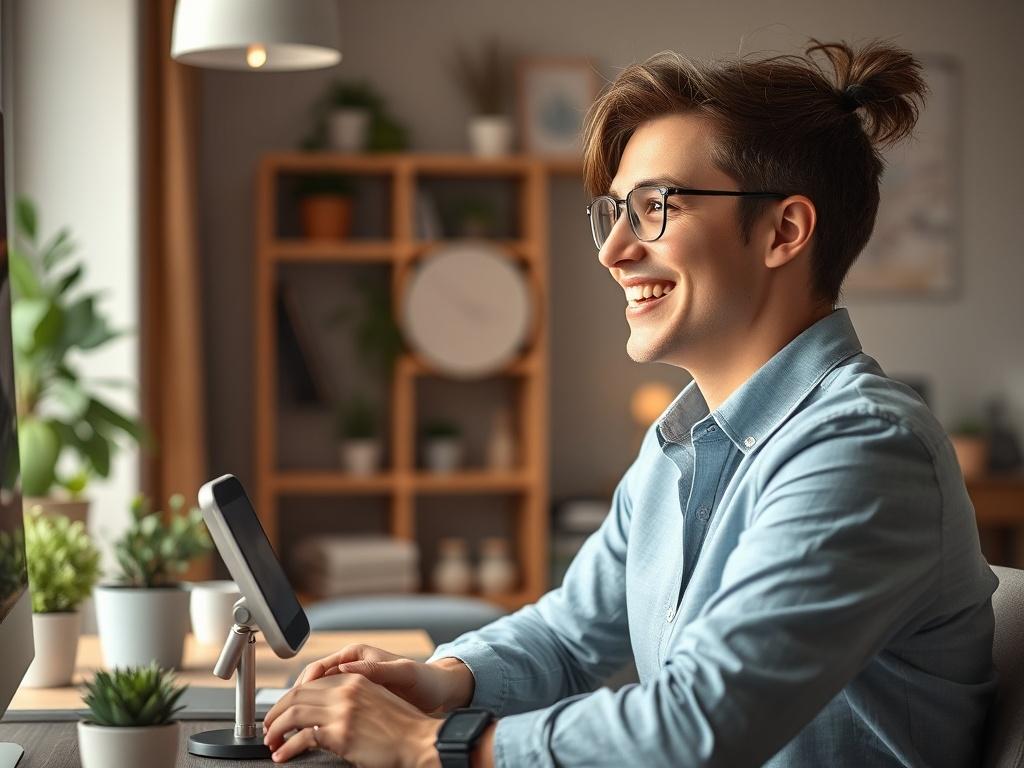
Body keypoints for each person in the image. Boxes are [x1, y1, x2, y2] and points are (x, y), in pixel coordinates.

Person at [262, 39, 997, 767]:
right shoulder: (680, 442)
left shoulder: (862, 448)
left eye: (654, 207)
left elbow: (696, 724)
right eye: (615, 211)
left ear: (784, 231)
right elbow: (569, 635)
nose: (612, 250)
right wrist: (443, 680)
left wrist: (424, 743)